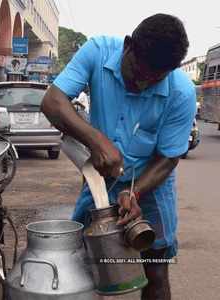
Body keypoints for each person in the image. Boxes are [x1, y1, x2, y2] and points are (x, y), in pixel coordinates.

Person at [42, 14, 195, 300]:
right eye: (138, 72)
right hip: (101, 182)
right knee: (86, 262)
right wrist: (96, 139)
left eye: (154, 80)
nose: (142, 85)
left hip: (151, 185)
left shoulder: (182, 92)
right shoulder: (96, 52)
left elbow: (168, 158)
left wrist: (133, 192)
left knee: (156, 270)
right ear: (127, 46)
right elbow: (52, 101)